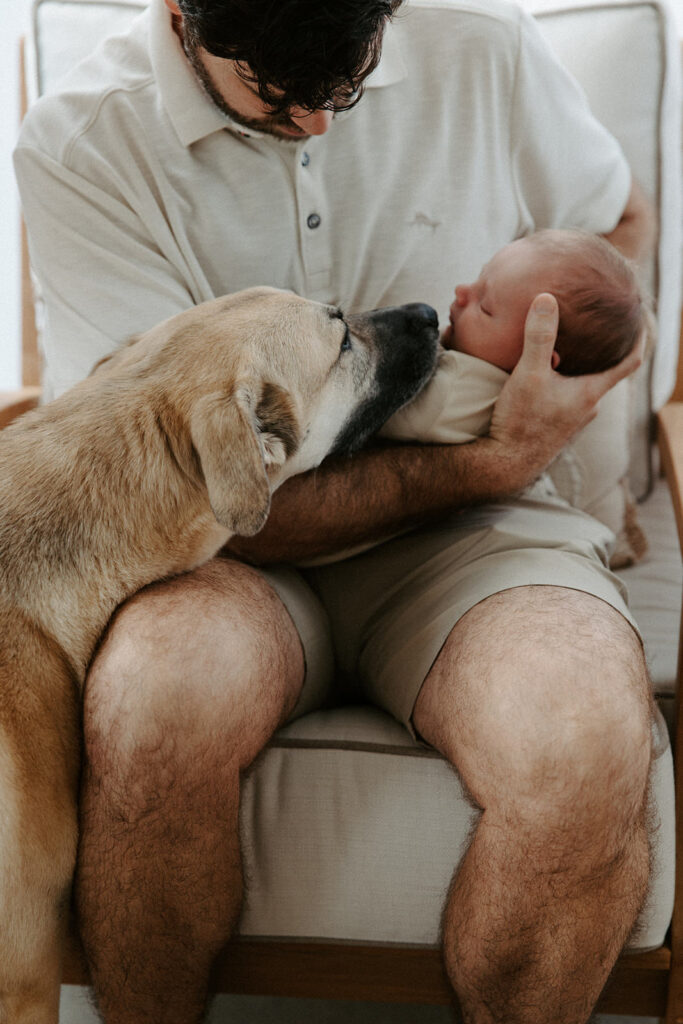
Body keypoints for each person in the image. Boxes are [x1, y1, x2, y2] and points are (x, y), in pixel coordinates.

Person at [14, 0, 656, 1021]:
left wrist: (580, 378)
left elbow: (620, 220)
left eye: (349, 81)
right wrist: (487, 460)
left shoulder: (481, 46)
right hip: (232, 549)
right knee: (153, 705)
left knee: (578, 735)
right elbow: (203, 496)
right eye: (276, 97)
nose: (321, 124)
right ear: (184, 16)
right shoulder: (82, 143)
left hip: (479, 542)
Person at [383, 228, 647, 446]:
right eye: (479, 278)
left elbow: (370, 414)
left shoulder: (449, 395)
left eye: (485, 307)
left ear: (539, 359)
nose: (461, 292)